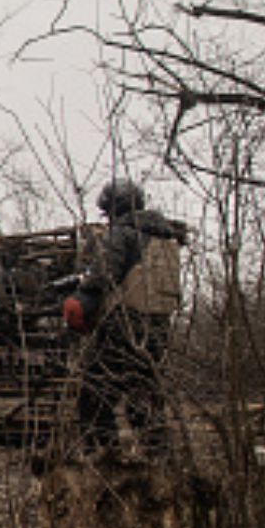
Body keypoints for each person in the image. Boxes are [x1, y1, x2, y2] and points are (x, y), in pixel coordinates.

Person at [73, 179, 189, 461]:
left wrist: (82, 292)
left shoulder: (122, 233)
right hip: (159, 328)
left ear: (114, 208)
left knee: (94, 390)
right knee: (145, 392)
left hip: (123, 325)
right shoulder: (167, 237)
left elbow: (104, 276)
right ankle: (158, 454)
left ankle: (103, 452)